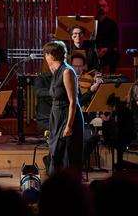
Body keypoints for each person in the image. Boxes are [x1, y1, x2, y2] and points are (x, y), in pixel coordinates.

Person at [43, 41, 84, 175]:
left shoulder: (67, 72)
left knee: (67, 155)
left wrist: (69, 126)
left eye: (46, 54)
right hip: (57, 115)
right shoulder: (56, 70)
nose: (45, 57)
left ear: (52, 55)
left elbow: (73, 101)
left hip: (67, 116)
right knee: (55, 154)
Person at [95, 0, 119, 73]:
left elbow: (115, 40)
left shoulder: (112, 23)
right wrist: (96, 50)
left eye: (104, 6)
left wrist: (106, 49)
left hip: (107, 50)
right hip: (95, 50)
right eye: (100, 6)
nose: (101, 8)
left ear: (107, 8)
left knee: (115, 55)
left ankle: (112, 76)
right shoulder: (92, 22)